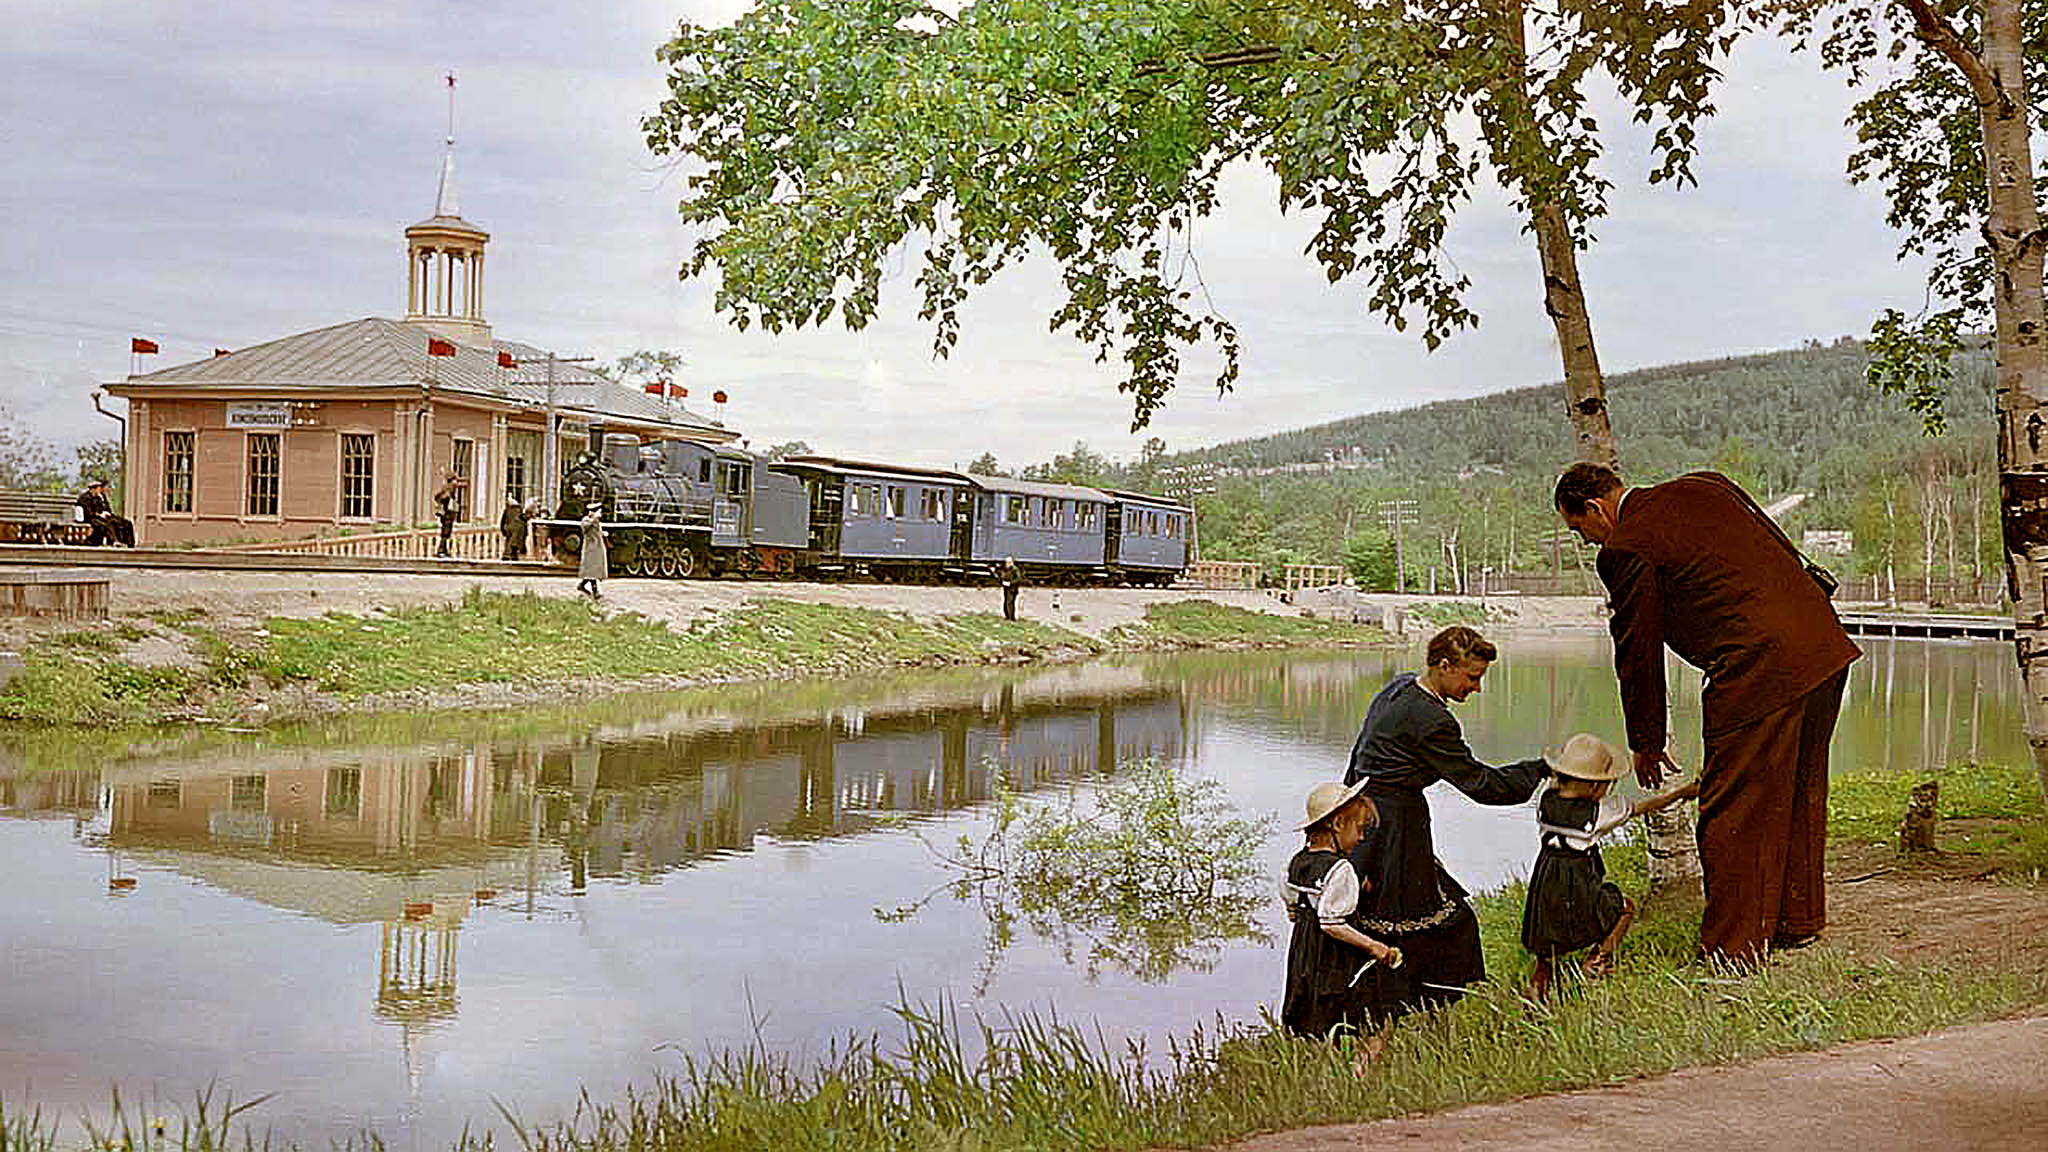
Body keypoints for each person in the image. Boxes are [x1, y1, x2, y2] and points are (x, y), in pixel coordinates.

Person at [1554, 463, 1860, 963]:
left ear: (1594, 508)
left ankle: (1732, 950)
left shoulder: (1625, 546)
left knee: (1729, 806)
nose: (1587, 542)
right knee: (1798, 788)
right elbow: (1778, 545)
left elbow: (1637, 650)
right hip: (1822, 644)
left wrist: (1646, 742)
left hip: (1759, 664)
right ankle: (1796, 921)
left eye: (1579, 529)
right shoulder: (1705, 483)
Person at [1343, 625, 1548, 1021]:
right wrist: (1539, 769)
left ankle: (1405, 1013)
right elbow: (1482, 785)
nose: (1477, 688)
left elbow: (1359, 756)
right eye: (1472, 677)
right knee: (1428, 922)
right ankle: (1403, 1012)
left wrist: (1346, 816)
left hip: (1366, 814)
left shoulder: (1399, 687)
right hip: (1394, 826)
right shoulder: (1432, 719)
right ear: (1443, 666)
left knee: (1392, 915)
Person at [1522, 732, 1699, 999]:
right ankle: (1599, 960)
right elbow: (1646, 806)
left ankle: (1541, 975)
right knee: (1623, 908)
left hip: (1545, 880)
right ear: (1596, 786)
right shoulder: (1599, 812)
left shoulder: (1546, 801)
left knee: (1546, 926)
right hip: (1577, 883)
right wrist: (1683, 792)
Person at [1281, 780, 1403, 1053]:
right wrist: (1374, 946)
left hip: (1304, 957)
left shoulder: (1295, 864)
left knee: (1318, 1024)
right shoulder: (1341, 869)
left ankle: (1327, 1079)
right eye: (1359, 829)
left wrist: (1353, 891)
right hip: (1335, 960)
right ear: (1337, 825)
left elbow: (1295, 910)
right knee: (1376, 1022)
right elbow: (1331, 922)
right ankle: (1360, 1077)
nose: (1361, 838)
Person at [76, 478, 133, 546]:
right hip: (92, 518)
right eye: (99, 488)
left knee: (126, 523)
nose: (100, 490)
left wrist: (103, 502)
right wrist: (100, 514)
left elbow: (108, 509)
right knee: (108, 524)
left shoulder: (101, 496)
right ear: (93, 489)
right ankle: (114, 541)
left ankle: (129, 543)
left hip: (104, 516)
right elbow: (89, 512)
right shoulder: (85, 498)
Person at [576, 504, 607, 599]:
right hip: (590, 548)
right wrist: (594, 518)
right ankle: (594, 591)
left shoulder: (596, 521)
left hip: (597, 547)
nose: (600, 514)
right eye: (599, 512)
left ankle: (584, 586)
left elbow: (597, 531)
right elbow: (585, 527)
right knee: (591, 570)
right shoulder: (586, 520)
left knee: (594, 570)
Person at [432, 471, 466, 558]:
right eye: (455, 480)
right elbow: (441, 498)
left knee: (447, 533)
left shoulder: (450, 489)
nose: (457, 483)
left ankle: (444, 550)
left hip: (448, 514)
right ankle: (441, 550)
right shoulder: (448, 489)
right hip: (447, 514)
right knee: (445, 533)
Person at [499, 495, 530, 560]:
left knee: (510, 542)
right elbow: (524, 520)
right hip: (517, 529)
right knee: (515, 542)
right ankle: (513, 554)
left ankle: (508, 554)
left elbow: (503, 520)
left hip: (510, 529)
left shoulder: (508, 510)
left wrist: (503, 528)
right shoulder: (519, 510)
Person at [1000, 557, 1021, 621]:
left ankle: (1011, 617)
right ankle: (1007, 616)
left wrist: (1010, 583)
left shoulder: (1015, 569)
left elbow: (1018, 579)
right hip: (1006, 588)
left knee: (1010, 602)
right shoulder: (1005, 569)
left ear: (1012, 562)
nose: (1007, 564)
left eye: (1009, 562)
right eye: (1006, 562)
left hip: (1012, 589)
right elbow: (1002, 576)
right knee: (1006, 602)